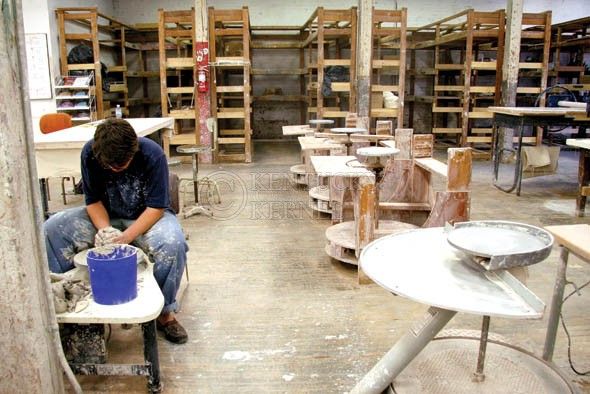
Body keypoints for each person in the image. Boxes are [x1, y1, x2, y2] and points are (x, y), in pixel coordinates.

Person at [44, 118, 189, 344]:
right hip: (107, 215)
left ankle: (164, 312)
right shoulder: (90, 153)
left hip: (147, 216)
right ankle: (64, 300)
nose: (115, 170)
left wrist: (125, 238)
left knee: (173, 242)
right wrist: (106, 231)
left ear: (135, 148)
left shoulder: (152, 154)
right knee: (53, 228)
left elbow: (157, 207)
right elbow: (92, 201)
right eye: (110, 167)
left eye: (121, 166)